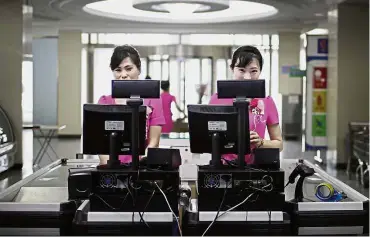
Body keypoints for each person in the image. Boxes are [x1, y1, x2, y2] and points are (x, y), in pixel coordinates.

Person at [209, 45, 283, 164]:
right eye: (241, 70)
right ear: (232, 68)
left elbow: (279, 144)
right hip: (223, 168)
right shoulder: (217, 99)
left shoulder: (267, 101)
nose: (247, 77)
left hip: (256, 168)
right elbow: (207, 137)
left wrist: (261, 142)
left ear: (260, 71)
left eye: (253, 71)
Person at [97, 45, 165, 165]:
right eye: (118, 70)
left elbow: (154, 142)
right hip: (112, 166)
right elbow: (101, 143)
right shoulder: (104, 101)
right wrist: (109, 165)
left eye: (128, 69)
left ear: (138, 69)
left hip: (142, 167)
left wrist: (142, 165)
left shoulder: (153, 100)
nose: (123, 74)